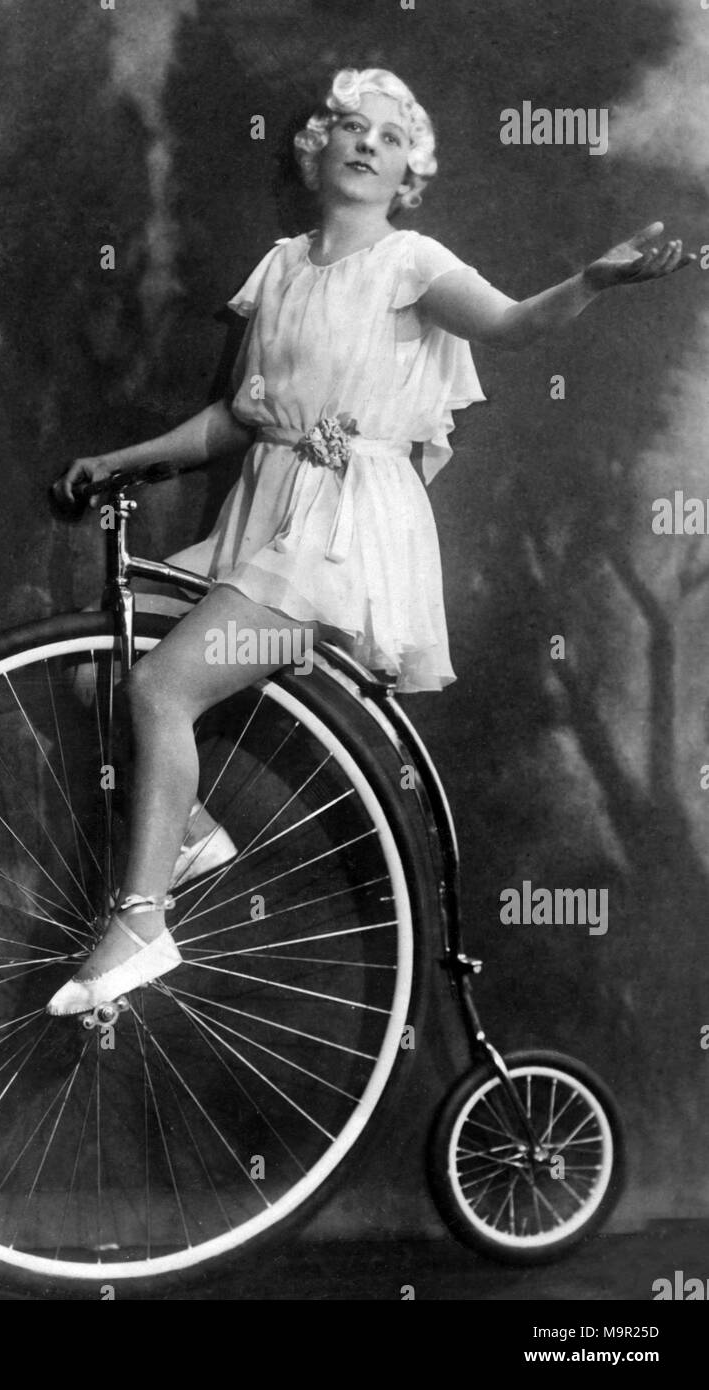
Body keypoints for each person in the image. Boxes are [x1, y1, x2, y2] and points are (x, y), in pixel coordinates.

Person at [46, 66, 693, 1015]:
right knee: (92, 675)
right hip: (259, 525)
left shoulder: (412, 263)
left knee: (160, 686)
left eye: (388, 137)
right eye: (348, 125)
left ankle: (142, 922)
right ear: (315, 152)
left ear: (406, 174)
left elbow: (512, 325)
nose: (363, 142)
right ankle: (183, 832)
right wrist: (125, 458)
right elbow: (243, 415)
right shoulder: (280, 268)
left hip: (341, 542)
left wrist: (593, 280)